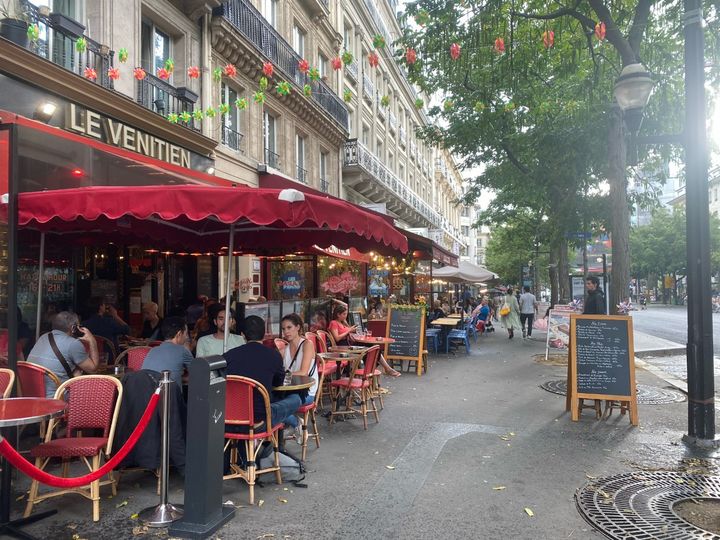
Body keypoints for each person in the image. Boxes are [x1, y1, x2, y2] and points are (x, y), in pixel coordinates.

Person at [224, 315, 301, 442]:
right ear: (264, 334)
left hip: (230, 420)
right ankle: (289, 425)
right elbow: (279, 384)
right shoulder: (273, 356)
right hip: (259, 421)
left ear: (243, 335)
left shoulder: (228, 356)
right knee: (295, 399)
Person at [27, 311, 99, 397]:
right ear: (73, 328)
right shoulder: (73, 344)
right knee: (96, 392)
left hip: (33, 396)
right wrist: (92, 340)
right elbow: (93, 369)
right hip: (57, 398)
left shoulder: (43, 337)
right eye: (79, 326)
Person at [278, 314, 318, 442]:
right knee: (266, 402)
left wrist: (282, 375)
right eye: (283, 329)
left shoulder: (307, 344)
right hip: (289, 391)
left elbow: (303, 372)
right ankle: (295, 422)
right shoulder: (285, 349)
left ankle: (292, 423)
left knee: (276, 407)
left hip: (307, 392)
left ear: (298, 327)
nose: (286, 331)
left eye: (289, 327)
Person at [141, 317, 194, 387]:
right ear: (179, 334)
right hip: (169, 395)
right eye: (186, 334)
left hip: (148, 393)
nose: (187, 337)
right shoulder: (182, 350)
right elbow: (197, 374)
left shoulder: (152, 350)